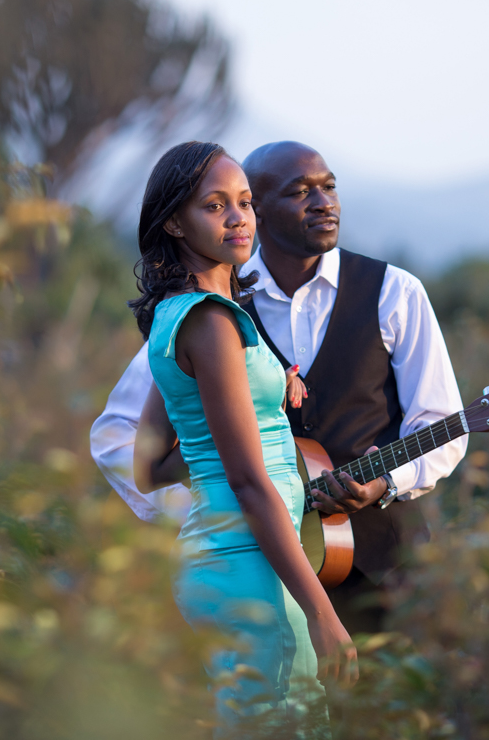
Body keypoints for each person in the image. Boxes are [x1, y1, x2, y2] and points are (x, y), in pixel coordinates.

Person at [91, 141, 466, 632]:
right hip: (264, 579)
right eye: (300, 192)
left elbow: (443, 423)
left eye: (329, 187)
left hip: (387, 573)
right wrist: (210, 510)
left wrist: (385, 483)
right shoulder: (212, 306)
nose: (323, 202)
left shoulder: (395, 292)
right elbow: (120, 435)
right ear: (262, 212)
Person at [128, 141, 350, 736]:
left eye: (246, 202)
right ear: (174, 221)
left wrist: (258, 403)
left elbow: (152, 463)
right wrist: (321, 611)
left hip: (221, 563)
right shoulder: (211, 321)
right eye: (215, 206)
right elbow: (251, 484)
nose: (239, 218)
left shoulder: (178, 315)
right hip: (251, 563)